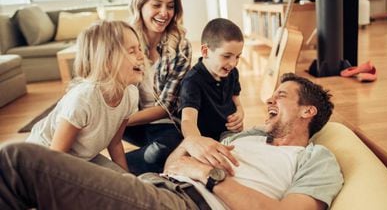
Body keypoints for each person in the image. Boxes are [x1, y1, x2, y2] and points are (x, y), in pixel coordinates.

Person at [0, 73, 343, 210]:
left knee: (18, 162)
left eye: (280, 96)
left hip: (187, 204)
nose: (269, 100)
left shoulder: (317, 157)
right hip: (158, 186)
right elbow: (174, 162)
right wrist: (188, 153)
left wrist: (209, 175)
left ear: (307, 111)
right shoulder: (248, 135)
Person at [25, 20, 145, 171]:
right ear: (107, 61)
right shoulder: (83, 99)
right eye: (132, 51)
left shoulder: (131, 95)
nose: (142, 55)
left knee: (126, 186)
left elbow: (114, 143)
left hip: (84, 158)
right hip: (42, 163)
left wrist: (128, 179)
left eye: (140, 48)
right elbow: (55, 159)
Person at [124, 0, 192, 174]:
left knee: (161, 152)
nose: (164, 13)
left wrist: (120, 121)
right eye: (156, 5)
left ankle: (101, 172)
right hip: (129, 120)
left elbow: (166, 107)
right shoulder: (124, 40)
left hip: (162, 123)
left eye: (170, 6)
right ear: (140, 4)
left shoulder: (181, 45)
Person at [178, 18, 245, 175]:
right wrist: (197, 144)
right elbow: (187, 120)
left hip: (229, 134)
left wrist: (240, 113)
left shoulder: (232, 72)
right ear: (205, 51)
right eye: (227, 56)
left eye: (238, 56)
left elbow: (237, 100)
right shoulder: (192, 80)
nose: (233, 63)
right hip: (208, 141)